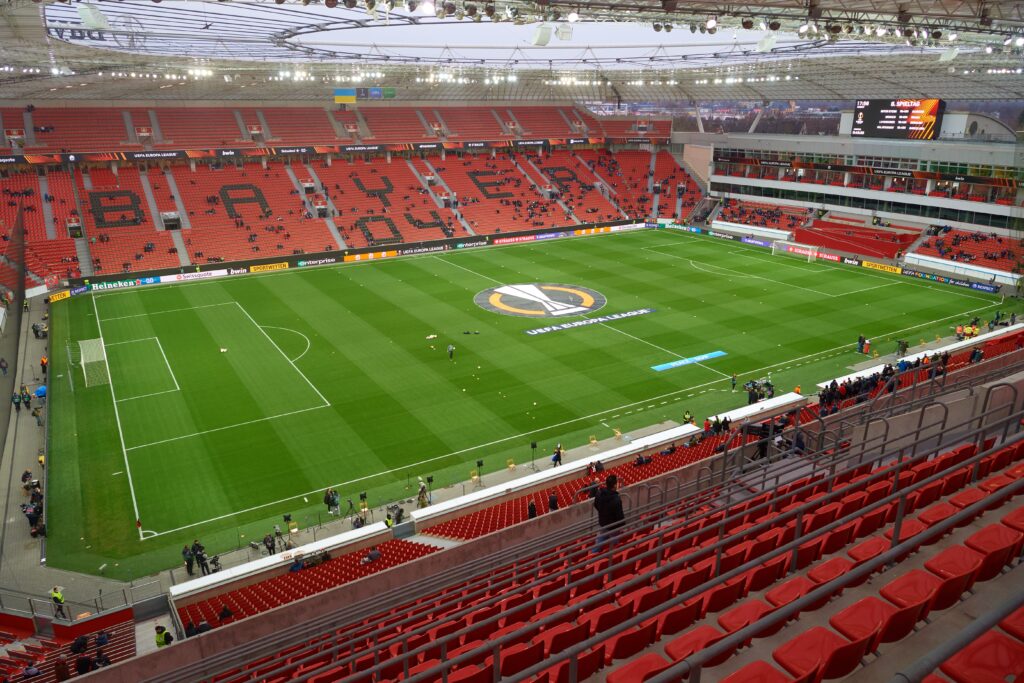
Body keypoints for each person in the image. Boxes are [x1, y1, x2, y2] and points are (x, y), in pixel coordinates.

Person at [593, 475, 625, 552]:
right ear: (614, 485)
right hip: (614, 527)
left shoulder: (599, 493)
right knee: (615, 545)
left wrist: (602, 512)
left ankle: (592, 557)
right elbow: (620, 516)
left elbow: (595, 504)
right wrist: (622, 525)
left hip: (603, 523)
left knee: (600, 542)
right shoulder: (616, 499)